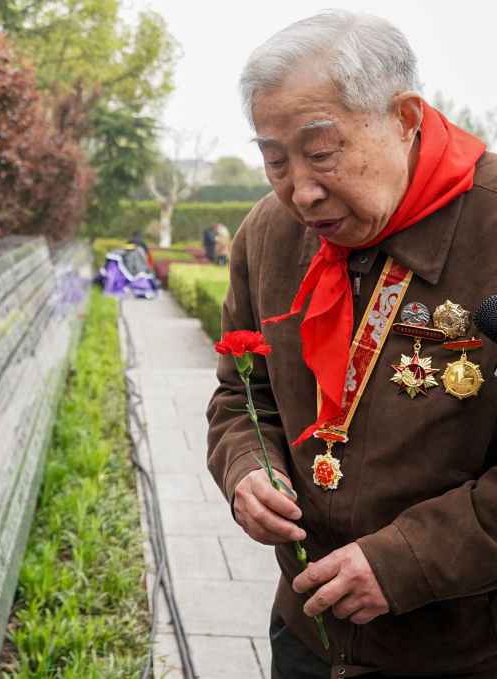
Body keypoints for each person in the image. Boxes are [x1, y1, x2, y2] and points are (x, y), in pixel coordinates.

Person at [206, 10, 496, 678]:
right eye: (274, 160)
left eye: (322, 153)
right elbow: (239, 391)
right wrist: (247, 465)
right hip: (305, 632)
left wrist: (405, 560)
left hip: (461, 650)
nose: (301, 192)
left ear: (404, 118)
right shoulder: (267, 235)